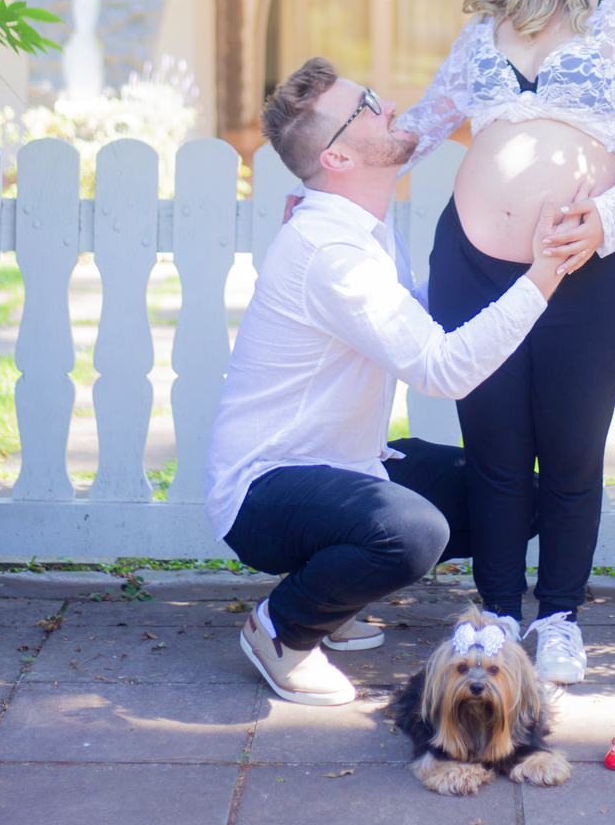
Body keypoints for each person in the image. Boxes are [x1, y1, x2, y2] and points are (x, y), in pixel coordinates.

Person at [395, 0, 615, 686]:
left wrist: (607, 220)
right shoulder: (480, 34)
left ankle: (558, 616)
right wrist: (334, 170)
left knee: (570, 451)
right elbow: (423, 125)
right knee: (492, 447)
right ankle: (495, 614)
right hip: (473, 266)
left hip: (584, 271)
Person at [204, 56, 567, 708]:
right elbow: (440, 367)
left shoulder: (363, 229)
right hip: (267, 489)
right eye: (367, 104)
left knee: (514, 497)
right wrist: (543, 276)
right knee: (412, 533)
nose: (389, 106)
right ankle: (282, 631)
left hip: (348, 466)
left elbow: (414, 314)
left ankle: (333, 599)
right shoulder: (332, 252)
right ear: (339, 156)